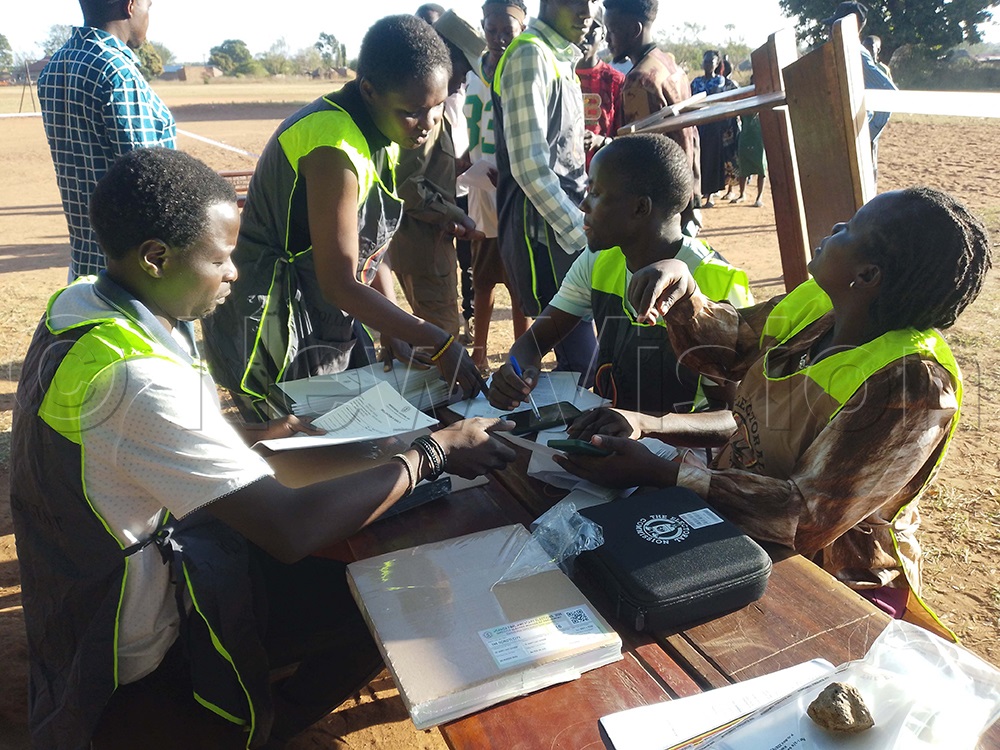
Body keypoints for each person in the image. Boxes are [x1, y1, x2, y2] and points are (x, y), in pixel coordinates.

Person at [9, 147, 516, 750]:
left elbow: (117, 445)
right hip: (141, 630)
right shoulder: (136, 378)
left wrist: (244, 437)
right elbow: (289, 528)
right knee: (389, 593)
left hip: (75, 594)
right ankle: (268, 724)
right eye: (221, 260)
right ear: (155, 258)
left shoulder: (83, 313)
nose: (234, 274)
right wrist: (436, 450)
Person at [558, 187, 992, 638]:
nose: (835, 229)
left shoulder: (911, 386)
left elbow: (805, 519)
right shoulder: (821, 304)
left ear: (866, 275)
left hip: (828, 579)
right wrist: (685, 292)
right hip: (732, 526)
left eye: (850, 228)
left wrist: (666, 474)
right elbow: (731, 347)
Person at [202, 16, 483, 421]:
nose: (428, 124)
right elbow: (339, 282)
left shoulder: (381, 131)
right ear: (368, 90)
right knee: (300, 447)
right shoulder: (335, 145)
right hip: (274, 322)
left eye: (437, 107)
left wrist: (390, 321)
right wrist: (435, 340)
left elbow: (371, 246)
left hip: (317, 311)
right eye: (413, 111)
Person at [489, 134, 752, 416]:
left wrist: (645, 427)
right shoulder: (598, 260)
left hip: (686, 455)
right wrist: (517, 374)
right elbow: (533, 342)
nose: (582, 205)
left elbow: (735, 418)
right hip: (612, 441)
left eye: (596, 193)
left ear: (640, 208)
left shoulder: (719, 283)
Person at [491, 0, 601, 379]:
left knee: (584, 365)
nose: (588, 11)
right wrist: (582, 235)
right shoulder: (530, 56)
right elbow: (530, 167)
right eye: (577, 1)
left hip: (570, 230)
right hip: (549, 239)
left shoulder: (560, 58)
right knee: (583, 365)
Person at [38, 0, 176, 280]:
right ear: (130, 6)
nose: (148, 16)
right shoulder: (118, 74)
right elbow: (150, 185)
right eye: (148, 6)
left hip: (85, 264)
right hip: (137, 277)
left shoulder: (56, 66)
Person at [387, 10, 487, 339]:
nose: (463, 81)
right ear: (444, 58)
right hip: (425, 253)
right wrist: (457, 214)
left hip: (422, 247)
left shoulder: (427, 105)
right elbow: (408, 187)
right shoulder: (424, 112)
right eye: (462, 69)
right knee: (443, 344)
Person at [462, 0, 530, 371]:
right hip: (480, 190)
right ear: (482, 27)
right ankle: (480, 353)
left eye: (509, 31)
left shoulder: (524, 72)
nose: (500, 39)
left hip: (515, 190)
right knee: (483, 276)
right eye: (492, 30)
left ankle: (520, 355)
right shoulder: (472, 73)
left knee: (519, 280)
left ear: (523, 28)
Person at [603, 0, 701, 233]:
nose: (607, 39)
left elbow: (644, 158)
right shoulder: (671, 66)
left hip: (660, 211)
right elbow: (692, 137)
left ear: (634, 30)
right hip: (687, 193)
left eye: (613, 30)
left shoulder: (640, 80)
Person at [823, 1, 896, 179]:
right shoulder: (838, 53)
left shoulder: (857, 54)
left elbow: (889, 94)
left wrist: (866, 135)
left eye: (835, 25)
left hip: (857, 141)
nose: (829, 32)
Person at [575, 9, 624, 170]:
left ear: (603, 35)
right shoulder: (557, 76)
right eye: (582, 27)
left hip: (602, 177)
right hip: (561, 178)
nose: (586, 34)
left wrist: (599, 141)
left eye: (592, 28)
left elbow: (626, 138)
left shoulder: (615, 81)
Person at [690, 50, 739, 208]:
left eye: (711, 62)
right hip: (697, 125)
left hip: (713, 126)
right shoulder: (696, 82)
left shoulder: (721, 82)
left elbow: (720, 101)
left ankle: (710, 194)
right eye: (705, 61)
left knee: (712, 159)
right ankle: (699, 191)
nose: (707, 65)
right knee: (697, 158)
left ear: (716, 64)